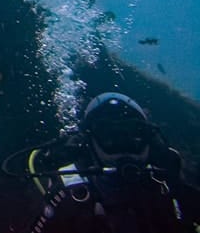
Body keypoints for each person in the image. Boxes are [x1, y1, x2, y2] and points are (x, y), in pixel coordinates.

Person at [18, 92, 200, 232]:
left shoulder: (167, 185)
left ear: (150, 141)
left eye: (133, 136)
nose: (124, 150)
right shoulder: (73, 196)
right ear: (89, 143)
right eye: (110, 137)